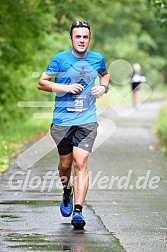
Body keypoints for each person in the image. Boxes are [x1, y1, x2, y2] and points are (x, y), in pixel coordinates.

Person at [37, 20, 110, 229]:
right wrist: (64, 88)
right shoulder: (60, 59)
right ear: (71, 38)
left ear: (89, 38)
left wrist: (103, 88)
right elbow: (41, 82)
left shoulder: (97, 58)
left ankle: (78, 211)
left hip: (87, 120)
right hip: (62, 121)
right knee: (66, 165)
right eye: (77, 36)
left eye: (85, 37)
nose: (81, 40)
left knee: (80, 162)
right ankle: (66, 191)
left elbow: (105, 74)